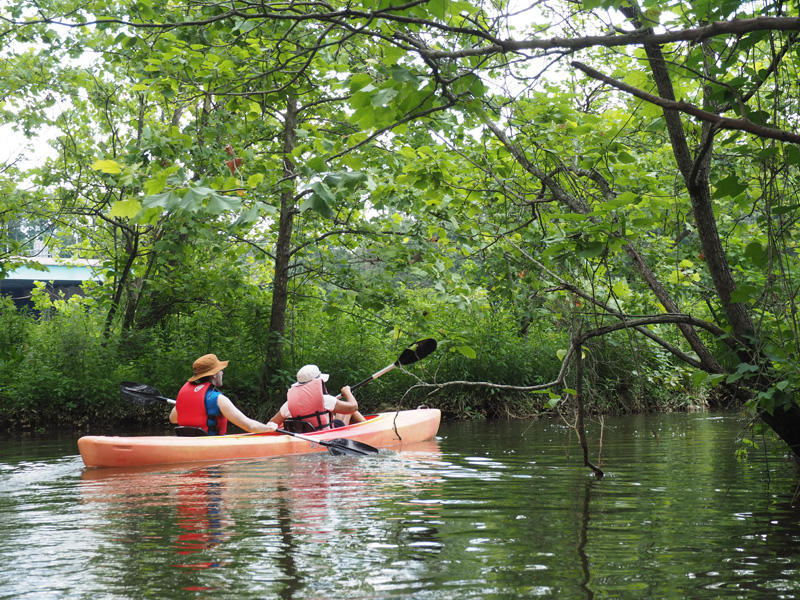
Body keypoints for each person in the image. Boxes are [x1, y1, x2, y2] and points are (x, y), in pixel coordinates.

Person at [169, 353, 274, 434]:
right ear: (214, 374)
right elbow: (250, 426)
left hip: (187, 442)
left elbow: (173, 419)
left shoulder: (184, 396)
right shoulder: (218, 399)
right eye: (220, 370)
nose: (222, 373)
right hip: (210, 447)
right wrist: (269, 428)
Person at [267, 364, 366, 432]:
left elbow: (272, 423)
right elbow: (353, 407)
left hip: (305, 435)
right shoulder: (325, 400)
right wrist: (347, 392)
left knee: (338, 412)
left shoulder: (289, 404)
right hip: (328, 435)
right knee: (350, 411)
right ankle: (369, 429)